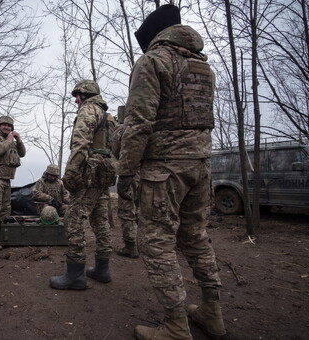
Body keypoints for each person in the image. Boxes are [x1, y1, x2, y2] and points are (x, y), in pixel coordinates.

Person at [116, 5, 227, 339]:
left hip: (164, 171)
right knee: (195, 237)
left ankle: (176, 327)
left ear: (153, 37)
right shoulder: (202, 66)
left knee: (157, 245)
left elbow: (139, 121)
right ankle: (212, 311)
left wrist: (126, 170)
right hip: (201, 166)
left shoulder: (152, 62)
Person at [49, 80, 117, 290]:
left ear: (83, 95)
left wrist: (70, 172)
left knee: (75, 219)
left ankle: (75, 274)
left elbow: (80, 144)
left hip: (88, 174)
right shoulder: (109, 117)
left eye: (77, 96)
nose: (76, 101)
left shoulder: (88, 111)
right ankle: (102, 269)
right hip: (103, 175)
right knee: (100, 220)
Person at [0, 115, 26, 251]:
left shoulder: (11, 141)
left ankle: (1, 236)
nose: (7, 127)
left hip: (6, 179)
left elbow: (22, 153)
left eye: (9, 126)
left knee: (5, 210)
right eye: (4, 125)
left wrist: (18, 141)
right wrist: (9, 140)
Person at [111, 109, 140, 259]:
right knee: (143, 210)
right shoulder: (148, 127)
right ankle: (144, 244)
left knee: (127, 211)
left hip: (129, 176)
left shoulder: (121, 130)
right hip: (151, 176)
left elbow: (113, 152)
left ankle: (131, 246)